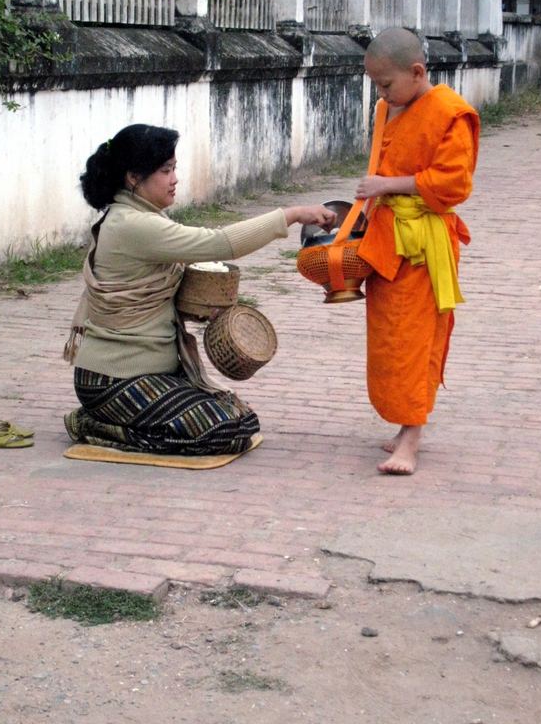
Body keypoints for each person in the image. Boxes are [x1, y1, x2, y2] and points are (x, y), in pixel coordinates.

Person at [63, 123, 335, 460]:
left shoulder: (137, 218)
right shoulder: (132, 224)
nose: (174, 179)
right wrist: (292, 215)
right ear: (133, 177)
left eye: (174, 168)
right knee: (226, 430)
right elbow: (219, 243)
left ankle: (110, 421)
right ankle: (97, 426)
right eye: (165, 171)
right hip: (113, 380)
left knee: (241, 417)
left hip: (149, 374)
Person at [354, 27, 480, 475]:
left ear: (418, 71)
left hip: (425, 245)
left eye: (386, 84)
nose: (381, 94)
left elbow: (453, 183)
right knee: (389, 338)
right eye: (376, 86)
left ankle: (412, 436)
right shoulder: (390, 108)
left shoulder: (450, 113)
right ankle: (403, 422)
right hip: (388, 241)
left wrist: (387, 185)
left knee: (416, 339)